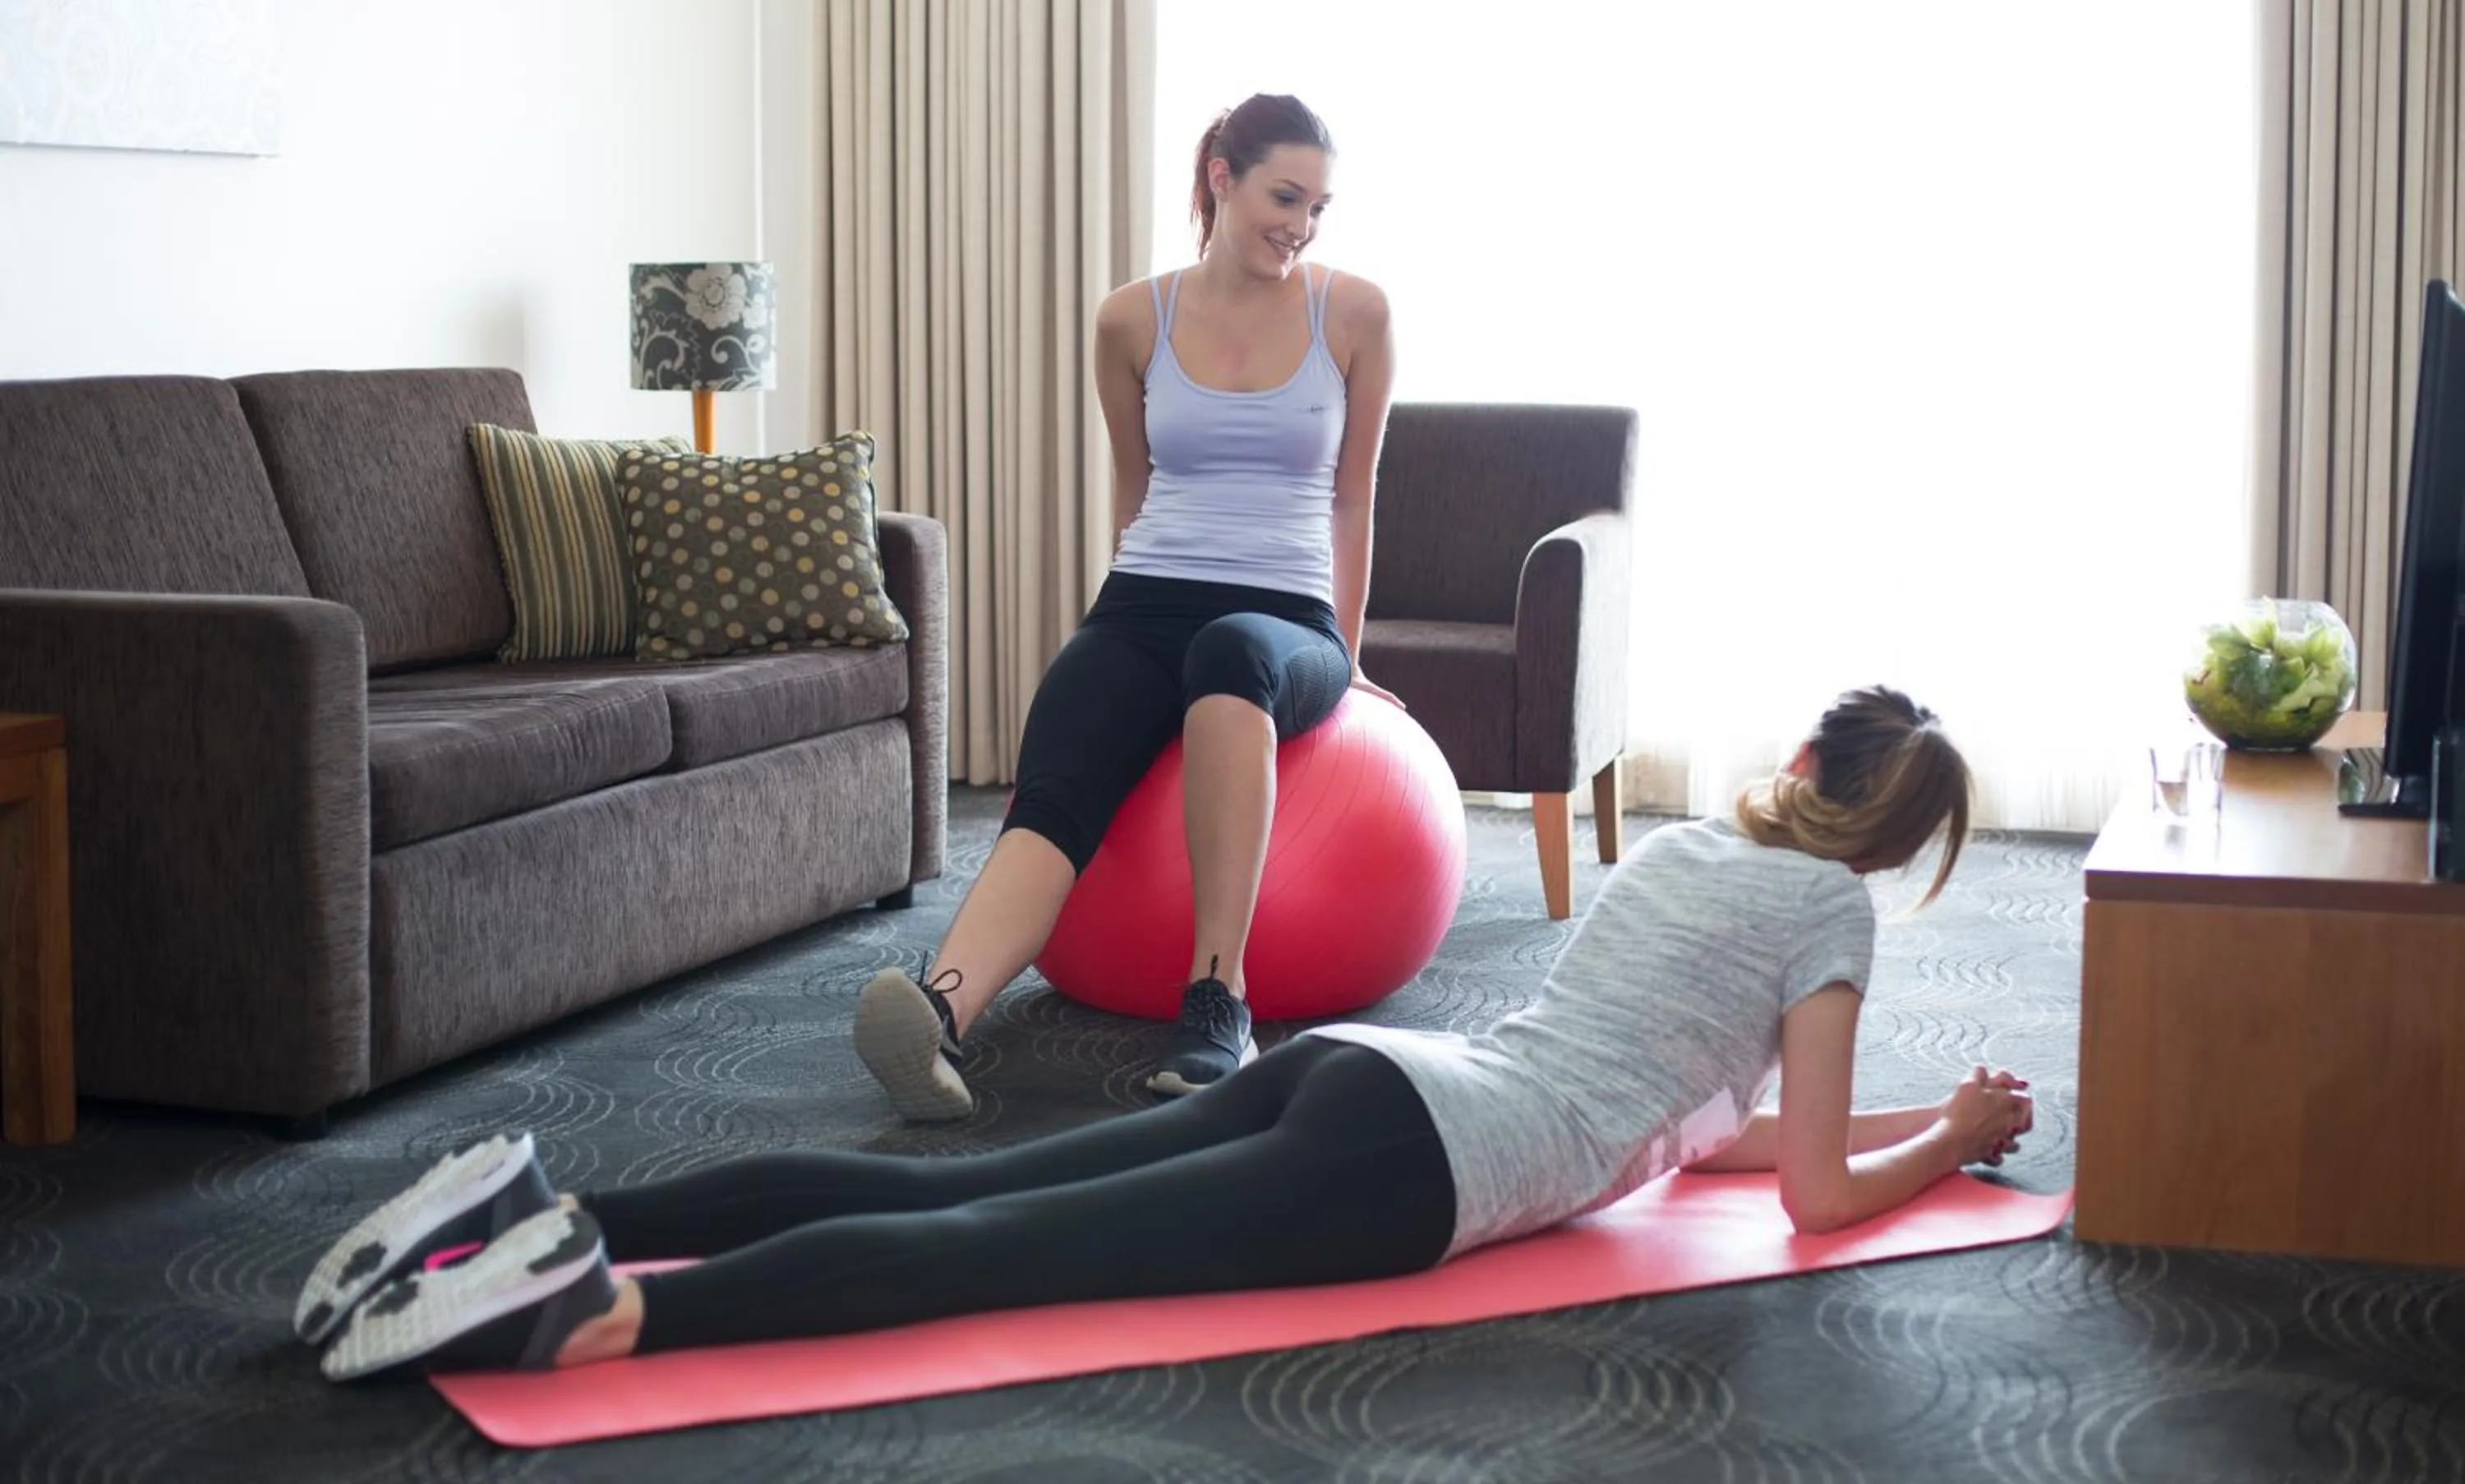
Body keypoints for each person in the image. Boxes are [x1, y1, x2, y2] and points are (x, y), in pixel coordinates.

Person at [301, 685, 2038, 1384]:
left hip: (1366, 1070)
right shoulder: (1828, 918)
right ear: (1892, 850)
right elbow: (1808, 1193)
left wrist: (1899, 1113)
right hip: (1421, 1168)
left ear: (1803, 773)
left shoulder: (1687, 846)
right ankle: (599, 1318)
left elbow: (1696, 1125)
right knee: (989, 1249)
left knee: (974, 1192)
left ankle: (549, 1199)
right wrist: (1946, 1144)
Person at [852, 91, 1402, 1119]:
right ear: (1220, 177)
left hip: (1286, 619)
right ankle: (942, 1014)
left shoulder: (1355, 314)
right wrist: (1118, 641)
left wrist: (1353, 654)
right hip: (1148, 596)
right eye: (1287, 195)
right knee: (1064, 757)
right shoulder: (1129, 318)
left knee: (1234, 652)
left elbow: (1353, 496)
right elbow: (1135, 483)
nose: (1304, 223)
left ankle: (1218, 997)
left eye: (1320, 206)